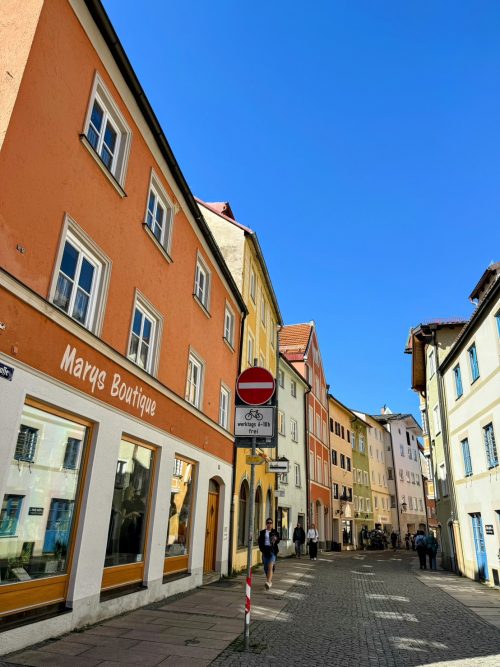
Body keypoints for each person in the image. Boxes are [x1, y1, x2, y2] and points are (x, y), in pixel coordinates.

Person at [258, 517, 280, 590]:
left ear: (272, 524)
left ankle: (268, 582)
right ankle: (269, 582)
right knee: (266, 568)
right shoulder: (262, 532)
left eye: (270, 523)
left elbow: (278, 540)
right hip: (265, 551)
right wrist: (262, 549)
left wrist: (276, 539)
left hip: (272, 551)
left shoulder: (274, 532)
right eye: (268, 523)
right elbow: (260, 542)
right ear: (266, 524)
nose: (269, 524)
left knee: (270, 567)